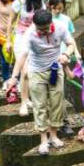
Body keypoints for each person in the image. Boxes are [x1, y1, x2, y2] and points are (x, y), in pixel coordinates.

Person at [7, 10, 76, 154]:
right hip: (36, 71)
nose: (44, 32)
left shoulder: (60, 27)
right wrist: (14, 77)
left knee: (57, 103)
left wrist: (65, 54)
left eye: (46, 28)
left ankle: (54, 136)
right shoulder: (30, 34)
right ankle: (43, 140)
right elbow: (23, 56)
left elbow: (70, 44)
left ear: (51, 22)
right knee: (40, 105)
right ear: (34, 25)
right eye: (40, 29)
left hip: (55, 70)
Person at [16, 0, 47, 116]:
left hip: (36, 38)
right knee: (25, 71)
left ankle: (28, 98)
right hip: (21, 37)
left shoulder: (41, 4)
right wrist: (7, 40)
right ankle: (23, 102)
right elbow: (12, 19)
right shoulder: (20, 3)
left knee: (32, 72)